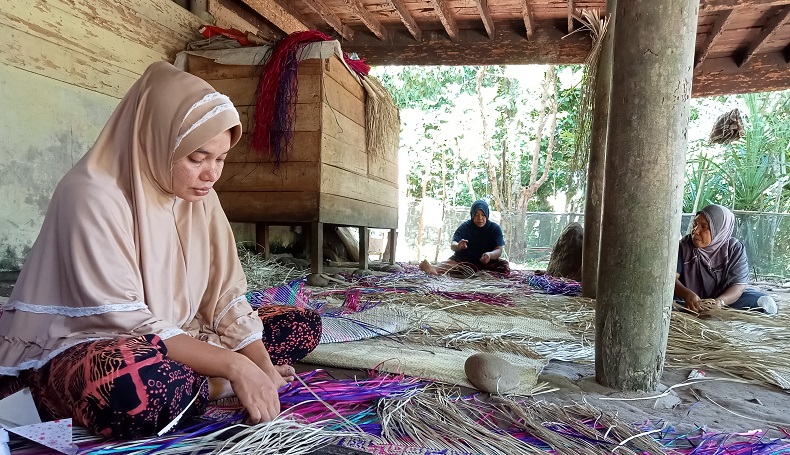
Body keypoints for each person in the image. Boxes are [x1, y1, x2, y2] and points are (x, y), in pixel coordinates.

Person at [0, 62, 321, 438]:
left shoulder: (200, 196)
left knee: (301, 326)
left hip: (179, 336)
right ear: (157, 141)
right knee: (138, 387)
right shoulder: (90, 194)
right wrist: (235, 367)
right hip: (89, 342)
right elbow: (127, 322)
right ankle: (210, 385)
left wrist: (260, 366)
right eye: (197, 158)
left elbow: (224, 297)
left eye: (220, 159)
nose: (211, 174)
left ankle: (199, 383)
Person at [675, 204, 777, 315]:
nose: (695, 231)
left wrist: (719, 302)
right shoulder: (684, 246)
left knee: (766, 303)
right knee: (669, 303)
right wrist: (687, 295)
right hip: (691, 300)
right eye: (695, 224)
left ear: (719, 229)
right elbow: (672, 279)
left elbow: (738, 286)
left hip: (724, 298)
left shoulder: (734, 249)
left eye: (704, 227)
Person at [420, 200, 510, 276]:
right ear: (472, 215)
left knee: (504, 266)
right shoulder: (465, 226)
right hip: (465, 260)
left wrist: (489, 255)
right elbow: (453, 244)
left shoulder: (494, 228)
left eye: (483, 215)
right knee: (450, 264)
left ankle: (468, 273)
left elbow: (499, 250)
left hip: (487, 261)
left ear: (487, 215)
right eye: (476, 215)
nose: (480, 218)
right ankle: (433, 269)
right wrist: (458, 246)